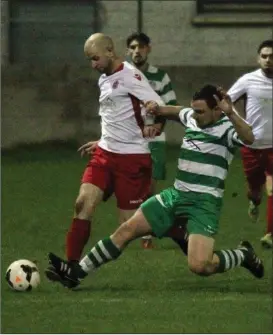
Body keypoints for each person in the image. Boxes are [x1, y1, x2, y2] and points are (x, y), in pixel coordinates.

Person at [45, 85, 264, 289]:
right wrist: (156, 108)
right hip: (176, 196)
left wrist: (232, 113)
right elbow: (176, 111)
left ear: (217, 110)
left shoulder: (227, 129)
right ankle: (77, 274)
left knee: (200, 266)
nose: (195, 115)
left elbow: (250, 137)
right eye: (194, 110)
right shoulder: (192, 117)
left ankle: (243, 255)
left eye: (201, 111)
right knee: (126, 230)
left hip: (204, 204)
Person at [45, 33, 166, 281]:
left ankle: (179, 231)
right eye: (90, 60)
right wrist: (102, 141)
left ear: (110, 52)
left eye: (95, 58)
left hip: (131, 159)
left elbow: (158, 105)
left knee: (130, 226)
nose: (93, 64)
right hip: (104, 155)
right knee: (82, 203)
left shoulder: (131, 76)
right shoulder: (104, 79)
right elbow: (116, 117)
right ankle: (71, 266)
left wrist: (157, 125)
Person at [126, 32, 177, 249]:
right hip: (129, 139)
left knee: (150, 186)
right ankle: (141, 232)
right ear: (129, 51)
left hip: (155, 138)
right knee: (133, 186)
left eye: (141, 47)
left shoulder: (160, 77)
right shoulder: (123, 75)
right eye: (133, 47)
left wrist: (159, 125)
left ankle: (146, 230)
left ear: (148, 49)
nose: (137, 51)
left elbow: (171, 104)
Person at [228, 39, 273, 248]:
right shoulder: (248, 80)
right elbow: (226, 100)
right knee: (255, 191)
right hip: (252, 148)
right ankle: (254, 201)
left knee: (272, 189)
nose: (268, 60)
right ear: (258, 58)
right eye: (264, 56)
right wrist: (240, 123)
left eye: (272, 57)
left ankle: (269, 234)